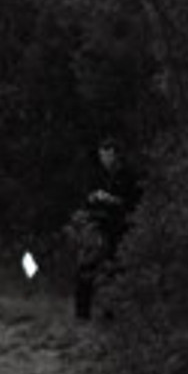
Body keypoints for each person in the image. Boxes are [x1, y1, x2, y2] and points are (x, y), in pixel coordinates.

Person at [73, 137, 141, 320]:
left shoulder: (129, 176)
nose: (105, 160)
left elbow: (134, 203)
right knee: (87, 265)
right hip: (97, 224)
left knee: (114, 269)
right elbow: (85, 198)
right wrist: (93, 199)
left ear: (117, 156)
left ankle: (111, 313)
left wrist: (112, 200)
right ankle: (82, 313)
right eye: (102, 155)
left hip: (120, 226)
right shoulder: (97, 175)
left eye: (108, 155)